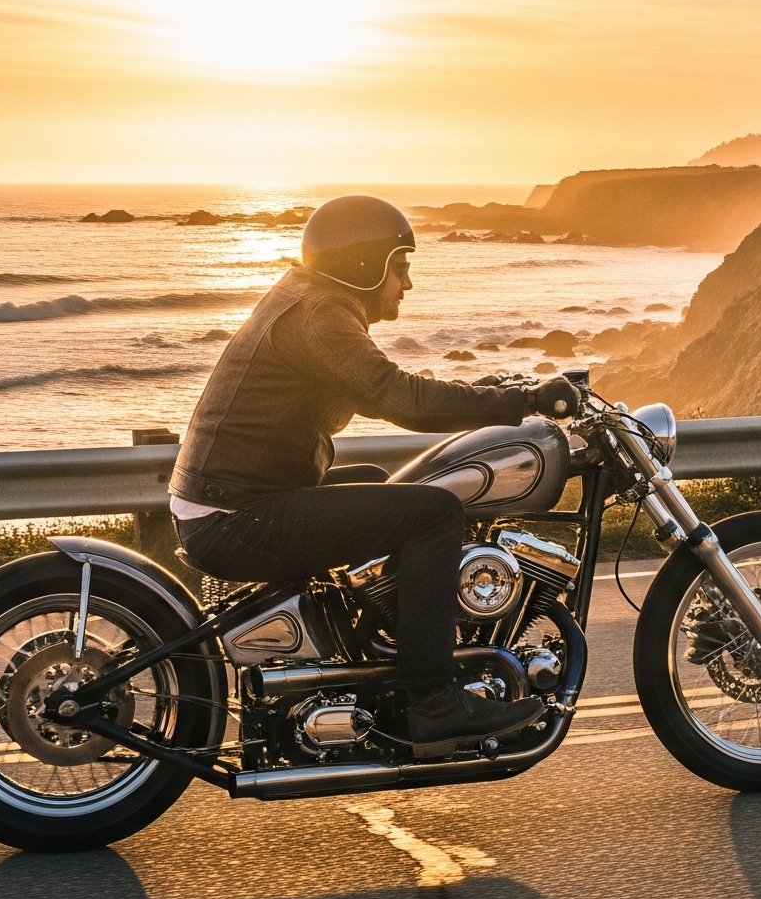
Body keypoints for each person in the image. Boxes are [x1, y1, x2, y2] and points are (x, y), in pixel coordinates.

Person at [169, 194, 579, 757]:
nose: (406, 282)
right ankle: (432, 701)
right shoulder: (322, 316)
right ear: (364, 264)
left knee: (377, 481)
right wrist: (523, 399)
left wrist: (492, 387)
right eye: (400, 265)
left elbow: (380, 384)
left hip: (233, 502)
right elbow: (400, 398)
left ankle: (375, 652)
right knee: (434, 511)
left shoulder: (311, 300)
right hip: (237, 516)